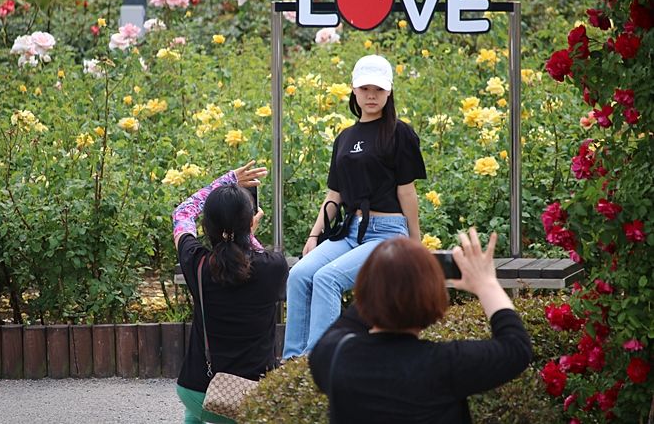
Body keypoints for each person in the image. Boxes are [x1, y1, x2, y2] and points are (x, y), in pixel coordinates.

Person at [308, 228, 533, 424]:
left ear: (366, 289)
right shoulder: (444, 365)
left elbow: (351, 320)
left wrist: (386, 278)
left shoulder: (334, 357)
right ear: (433, 296)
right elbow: (515, 347)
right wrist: (486, 284)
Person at [283, 54, 427, 358]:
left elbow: (407, 192)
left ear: (389, 92)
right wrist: (313, 237)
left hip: (388, 234)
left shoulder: (400, 133)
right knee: (299, 275)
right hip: (348, 233)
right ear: (354, 90)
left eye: (378, 89)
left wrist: (415, 244)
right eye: (364, 89)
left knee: (327, 278)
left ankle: (316, 363)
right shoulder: (345, 137)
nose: (371, 95)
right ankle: (291, 364)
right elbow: (334, 194)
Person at [172, 161, 288, 424]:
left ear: (207, 226)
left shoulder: (197, 263)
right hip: (251, 399)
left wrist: (229, 178)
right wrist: (247, 237)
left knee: (195, 412)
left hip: (196, 391)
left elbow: (182, 213)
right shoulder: (274, 266)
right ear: (250, 222)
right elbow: (250, 256)